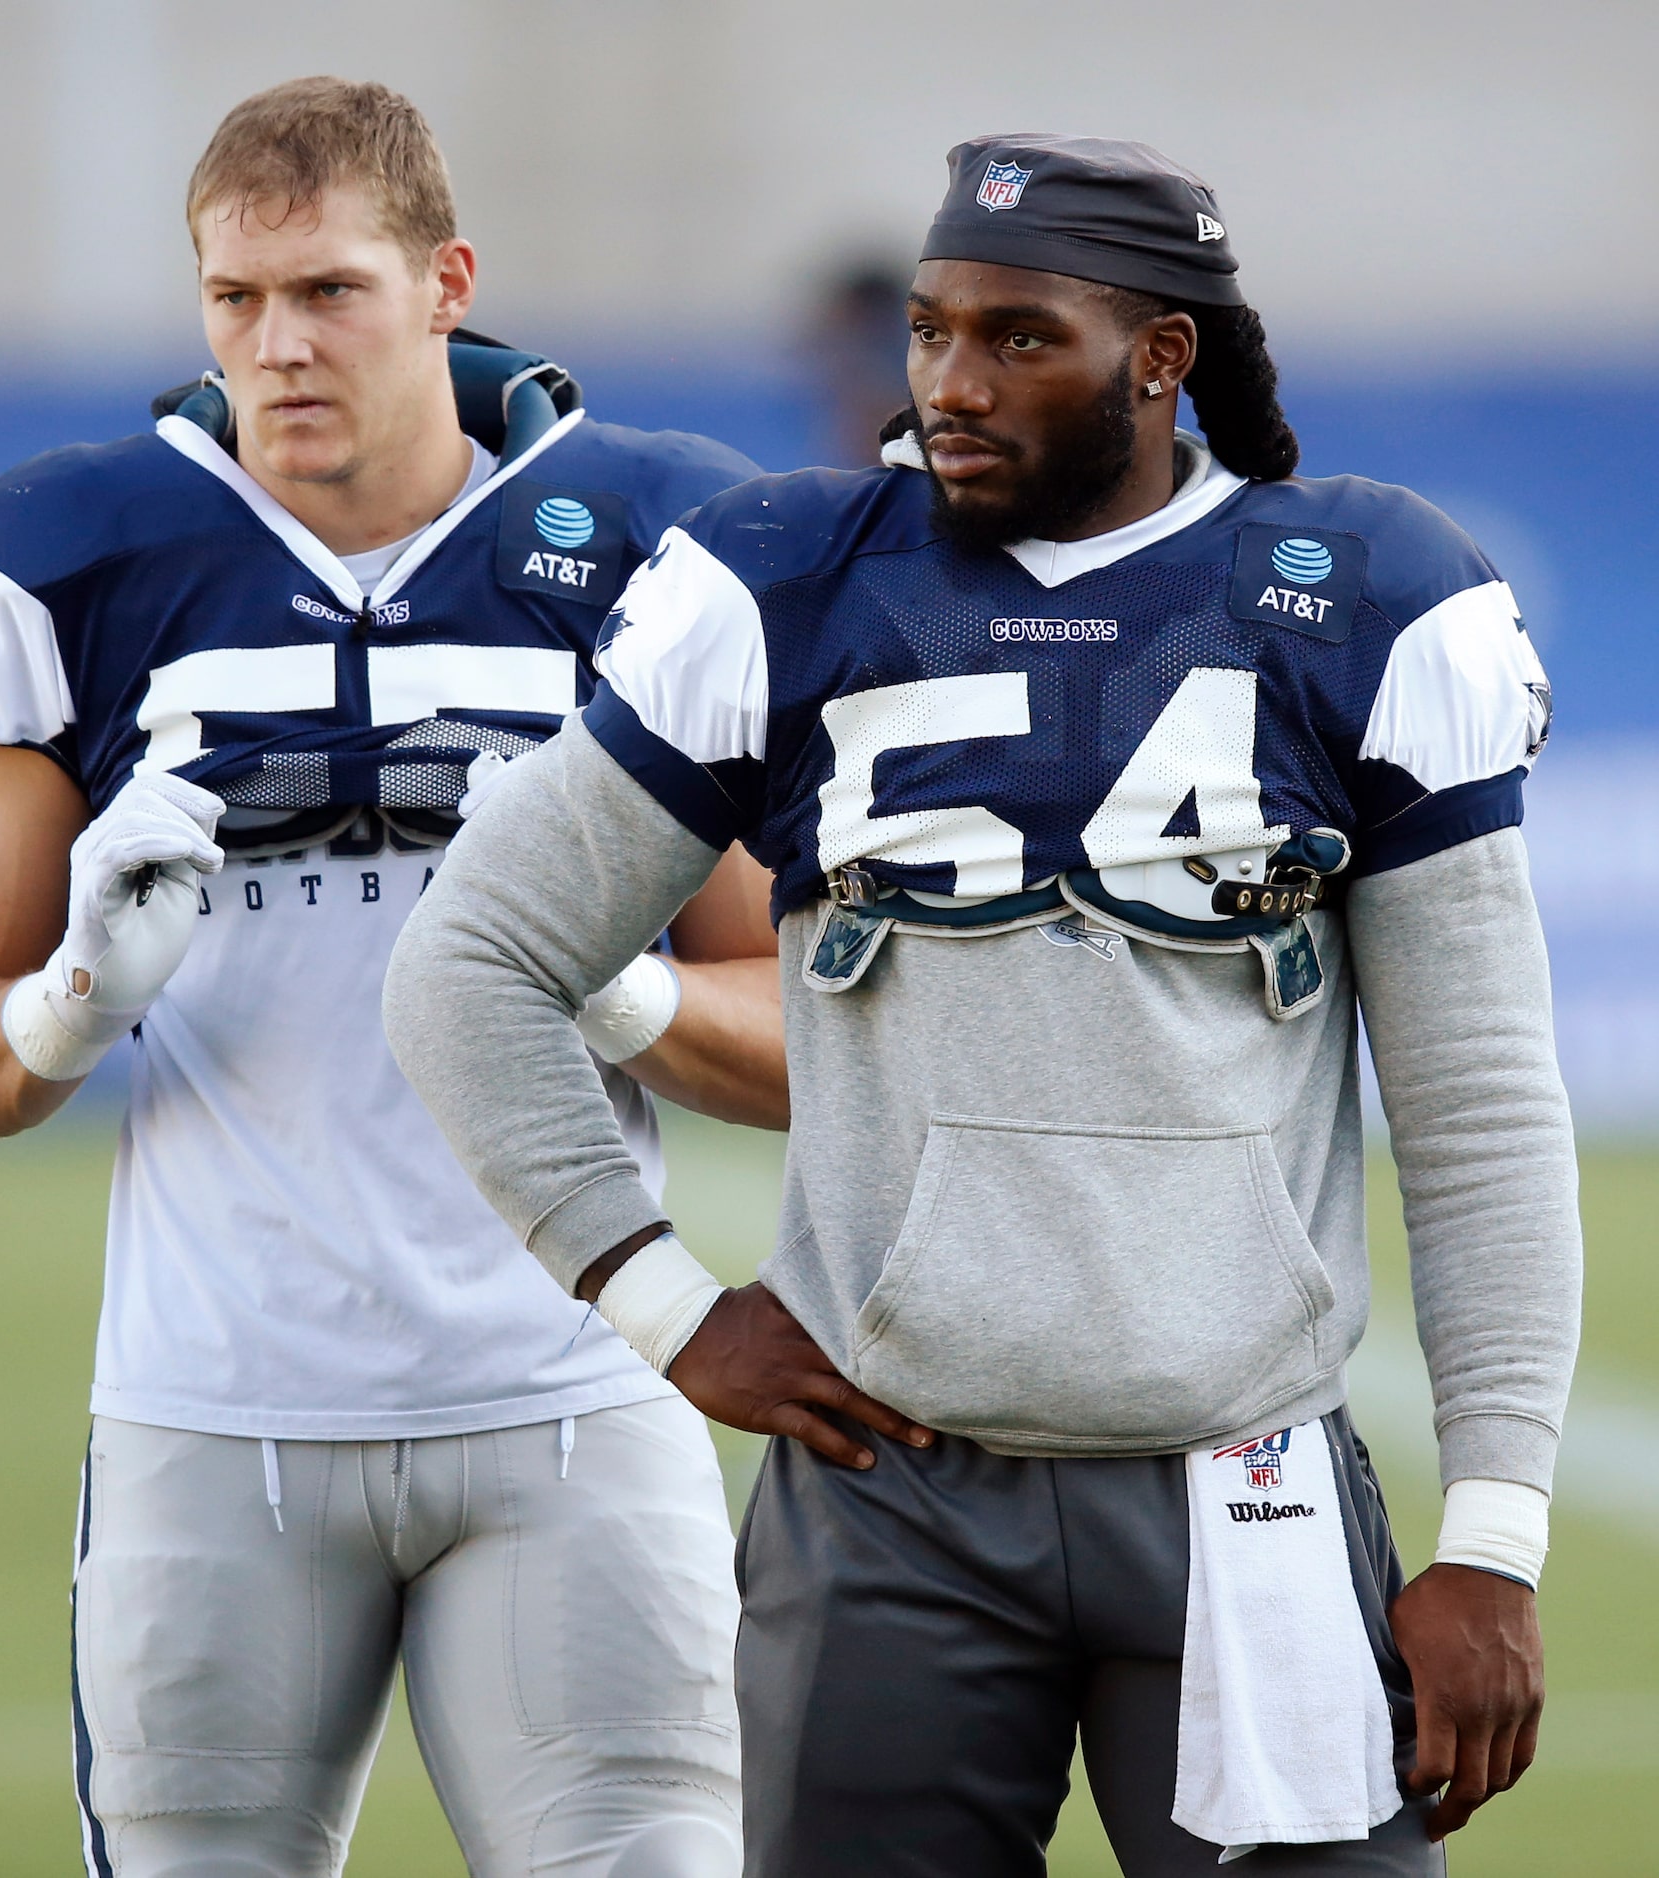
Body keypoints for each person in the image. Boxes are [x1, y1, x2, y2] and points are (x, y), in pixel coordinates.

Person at [386, 134, 1583, 1876]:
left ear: (1161, 358)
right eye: (934, 330)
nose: (949, 380)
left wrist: (1493, 1532)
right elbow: (469, 960)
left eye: (1018, 337)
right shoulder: (791, 580)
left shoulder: (1366, 599)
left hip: (1245, 1478)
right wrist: (658, 1301)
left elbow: (1478, 1110)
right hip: (893, 1503)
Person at [0, 77, 777, 1878]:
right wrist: (67, 1002)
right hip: (219, 1413)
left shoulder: (663, 549)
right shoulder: (81, 551)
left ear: (447, 281)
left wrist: (616, 991)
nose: (276, 347)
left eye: (330, 292)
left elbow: (814, 1026)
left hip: (580, 1392)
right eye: (235, 301)